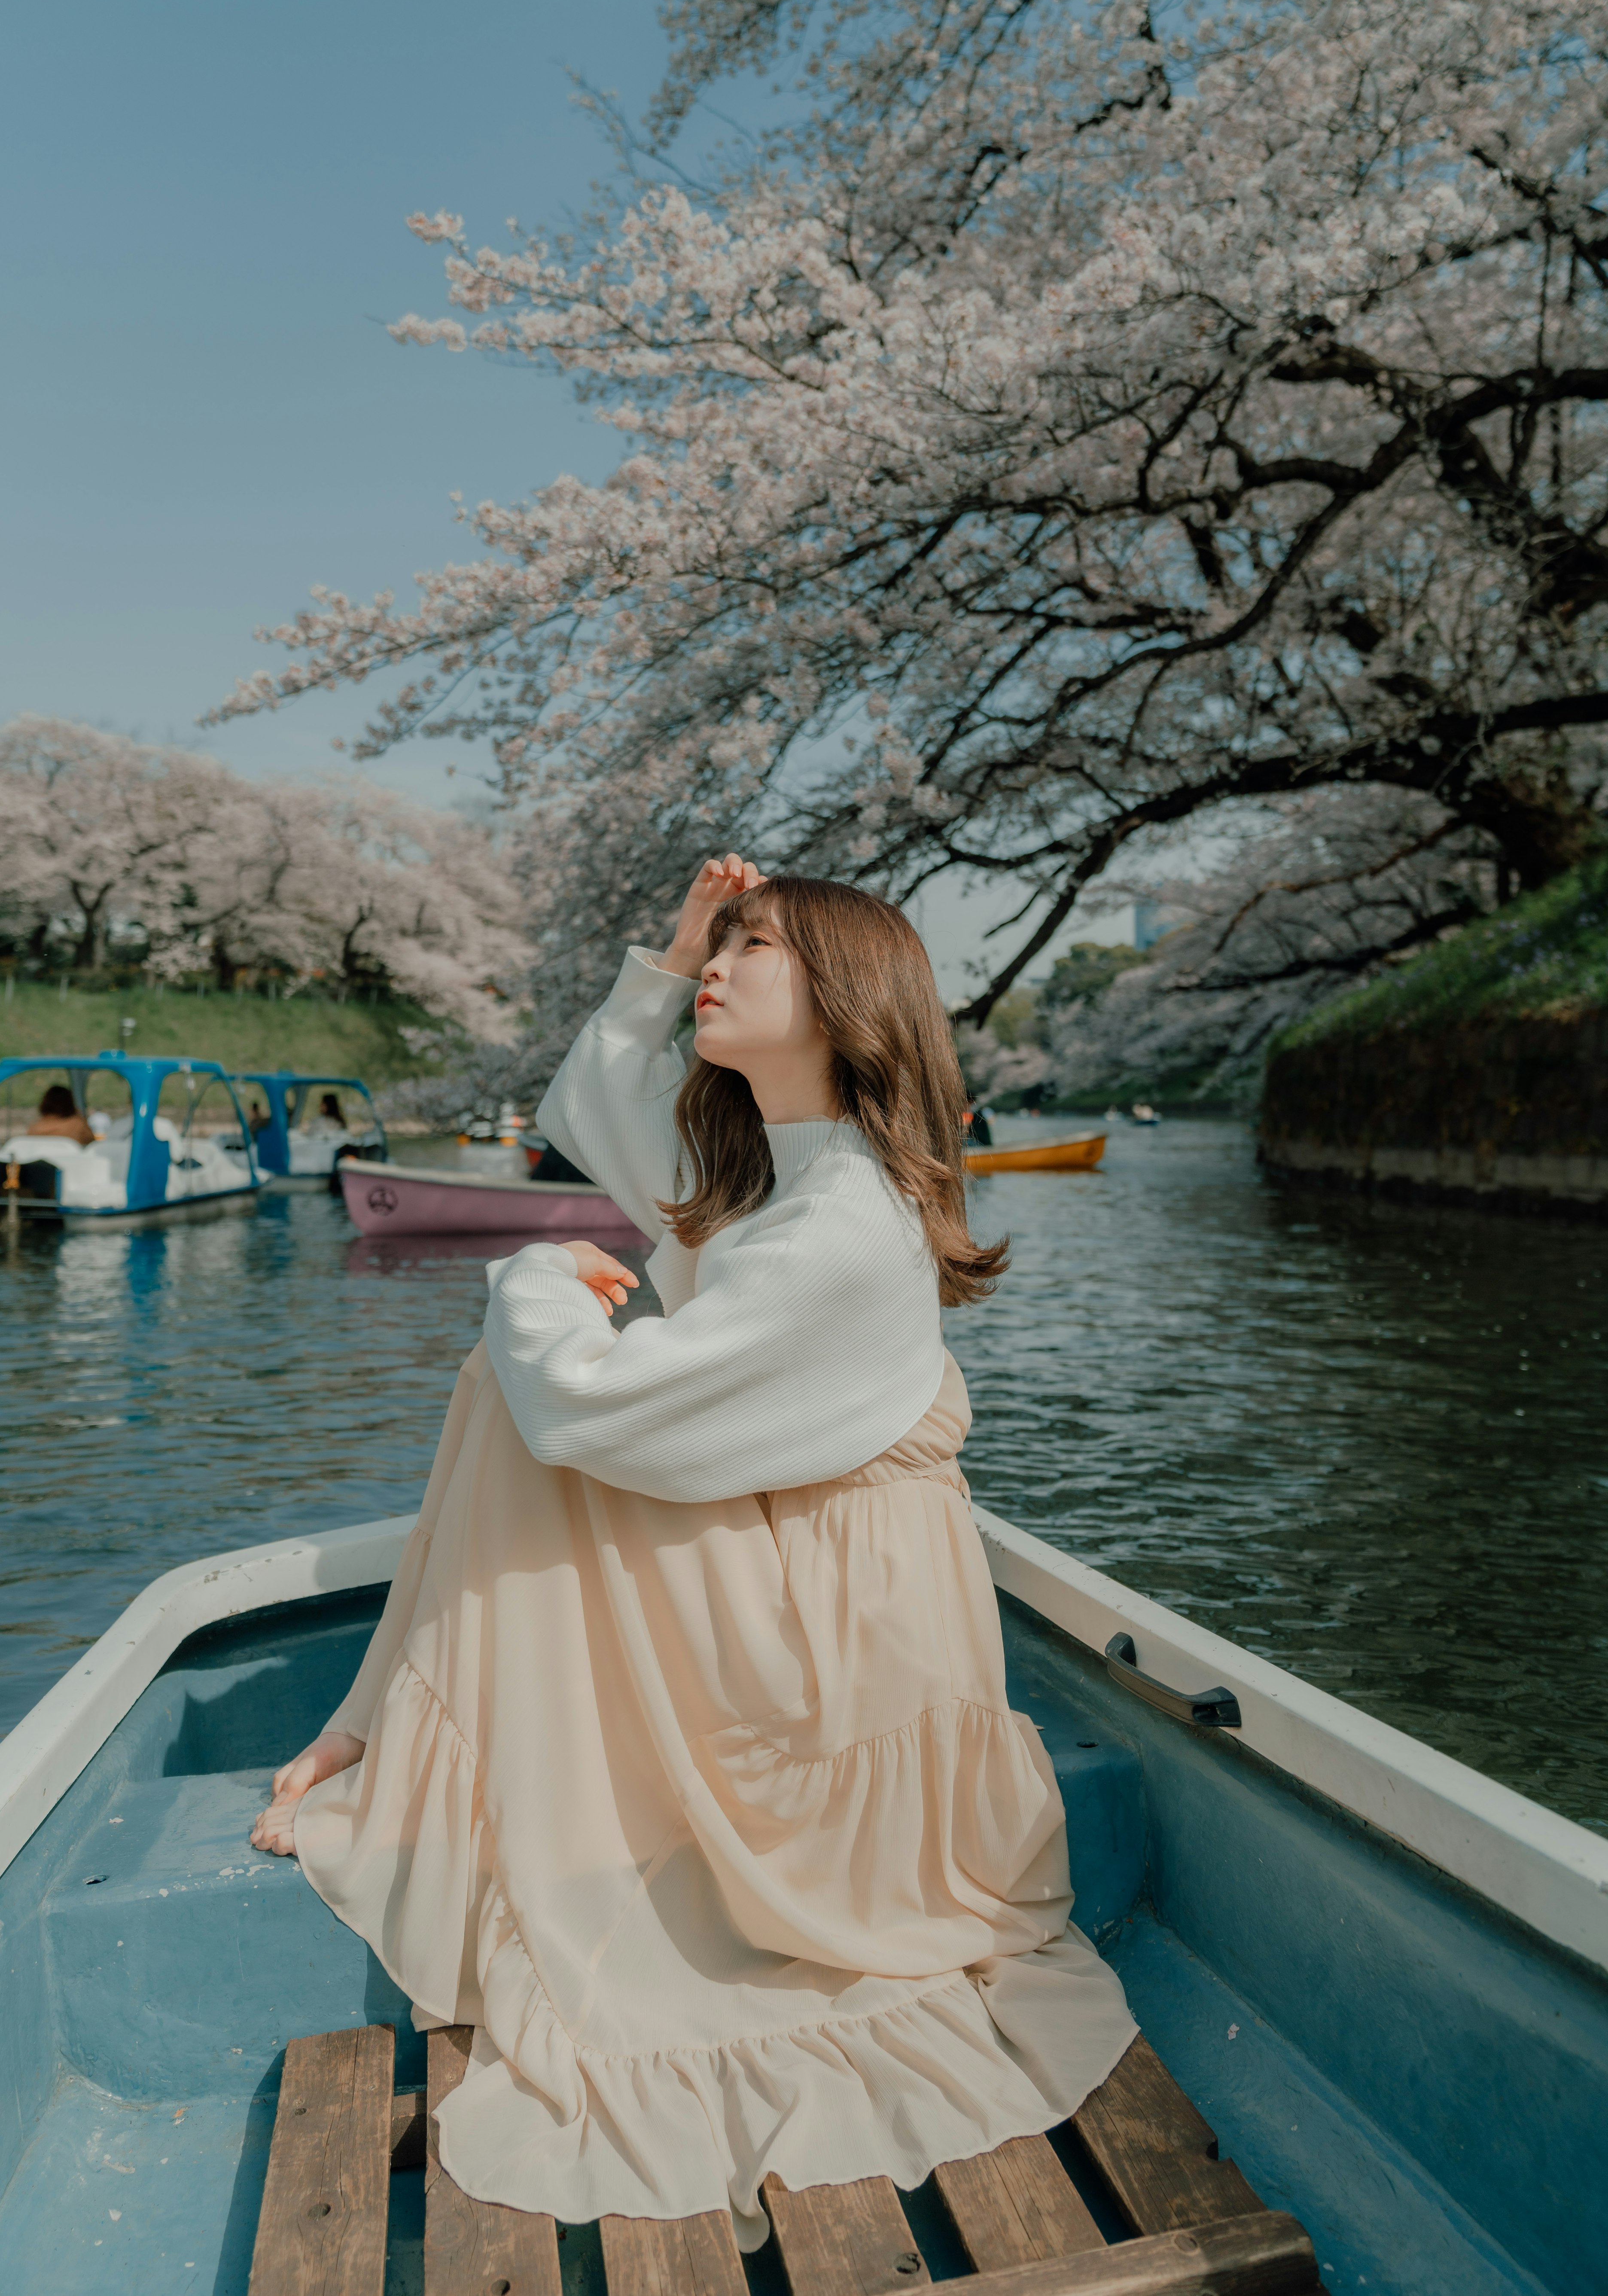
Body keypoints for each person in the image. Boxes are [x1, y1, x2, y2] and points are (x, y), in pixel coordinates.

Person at [250, 859, 1136, 2245]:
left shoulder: (840, 1228)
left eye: (754, 945)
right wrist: (668, 951)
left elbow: (584, 1402)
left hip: (841, 1667)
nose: (719, 964)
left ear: (844, 1004)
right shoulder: (785, 1182)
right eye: (720, 944)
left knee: (517, 1387)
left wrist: (539, 1277)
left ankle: (384, 1737)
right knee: (512, 1391)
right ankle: (381, 1729)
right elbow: (608, 1113)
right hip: (814, 1602)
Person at [24, 1085, 94, 1145]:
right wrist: (78, 1115)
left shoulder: (34, 1128)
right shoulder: (78, 1125)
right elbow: (92, 1141)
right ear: (70, 1104)